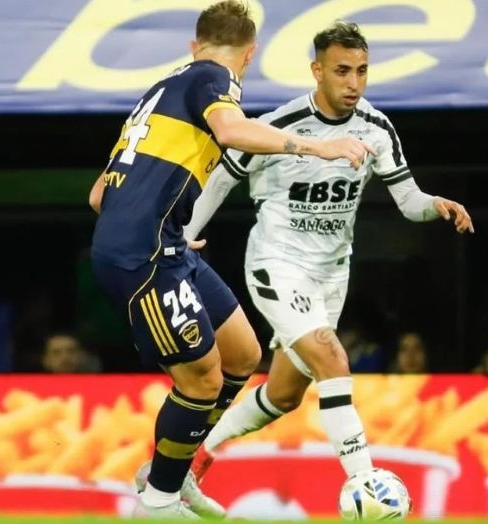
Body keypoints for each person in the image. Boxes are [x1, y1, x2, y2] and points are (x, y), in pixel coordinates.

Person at [88, 2, 373, 519]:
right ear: (249, 54)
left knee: (242, 353)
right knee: (201, 379)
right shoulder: (212, 77)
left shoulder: (159, 91)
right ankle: (159, 501)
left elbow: (98, 196)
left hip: (165, 243)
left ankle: (175, 471)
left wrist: (162, 221)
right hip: (144, 254)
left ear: (194, 43)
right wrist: (317, 148)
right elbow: (232, 131)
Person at [178, 20, 474, 505]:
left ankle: (187, 464)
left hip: (331, 275)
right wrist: (187, 232)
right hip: (277, 262)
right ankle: (366, 485)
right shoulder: (281, 124)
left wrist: (435, 204)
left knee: (283, 394)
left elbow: (408, 200)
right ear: (317, 71)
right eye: (342, 71)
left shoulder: (376, 128)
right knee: (332, 358)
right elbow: (225, 175)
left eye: (362, 71)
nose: (354, 82)